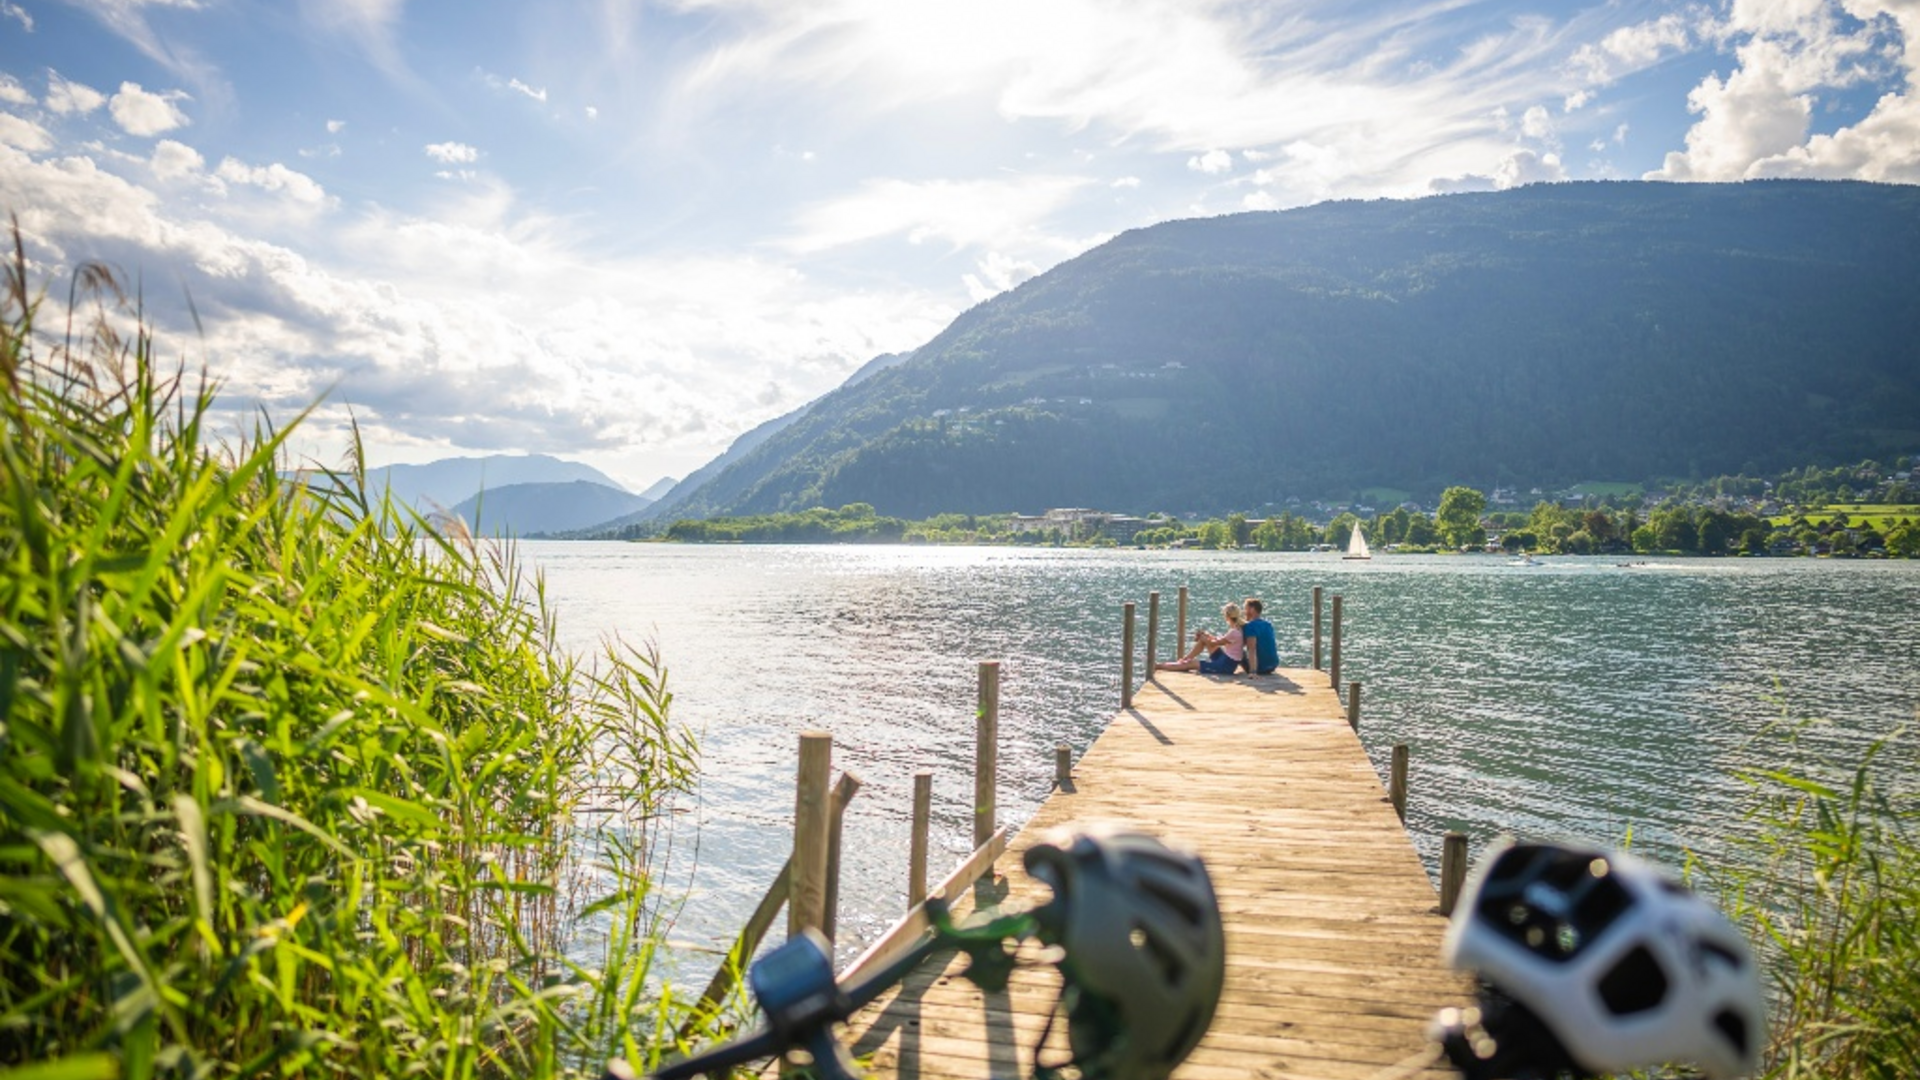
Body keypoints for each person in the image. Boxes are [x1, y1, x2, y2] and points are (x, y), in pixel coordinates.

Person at [1156, 603, 1244, 674]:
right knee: (1203, 638)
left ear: (1227, 616)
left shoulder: (1234, 632)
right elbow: (1219, 640)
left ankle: (1158, 666)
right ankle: (1185, 659)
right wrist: (1206, 636)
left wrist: (1205, 638)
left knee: (1191, 664)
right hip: (1225, 659)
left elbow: (1213, 643)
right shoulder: (1237, 629)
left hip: (1225, 666)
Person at [1240, 597, 1278, 675]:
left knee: (1237, 650)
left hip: (1260, 667)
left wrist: (1253, 672)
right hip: (1273, 665)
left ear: (1252, 609)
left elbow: (1252, 649)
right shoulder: (1268, 624)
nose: (1244, 612)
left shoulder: (1250, 626)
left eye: (1245, 609)